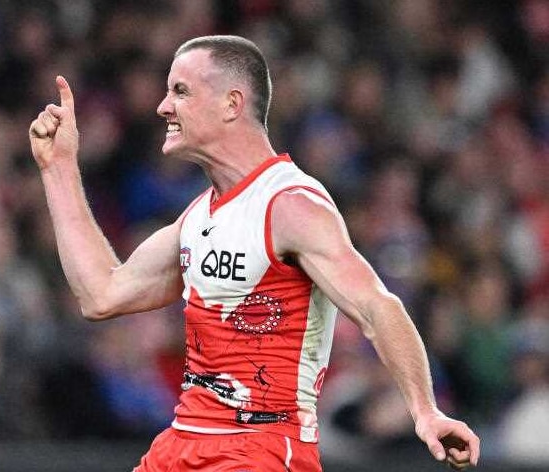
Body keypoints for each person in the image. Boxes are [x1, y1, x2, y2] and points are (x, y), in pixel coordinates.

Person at [29, 35, 480, 471]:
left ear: (232, 103)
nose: (162, 106)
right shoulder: (198, 217)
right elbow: (101, 294)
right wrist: (59, 168)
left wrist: (425, 411)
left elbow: (377, 308)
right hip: (182, 443)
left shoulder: (291, 205)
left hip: (261, 449)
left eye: (180, 91)